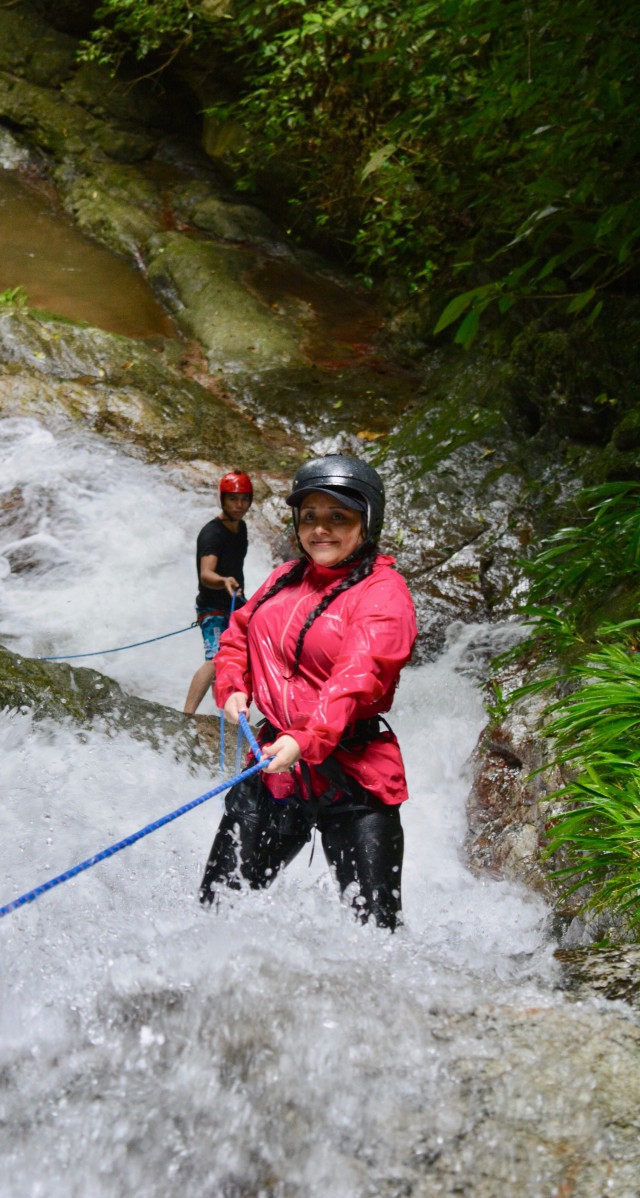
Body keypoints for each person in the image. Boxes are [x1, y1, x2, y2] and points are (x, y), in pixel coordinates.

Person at [199, 453, 417, 929]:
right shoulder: (284, 578)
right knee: (217, 908)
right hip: (276, 767)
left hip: (354, 778)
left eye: (338, 517)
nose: (321, 529)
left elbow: (359, 676)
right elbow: (237, 636)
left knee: (376, 929)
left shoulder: (384, 592)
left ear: (366, 522)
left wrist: (307, 739)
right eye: (310, 517)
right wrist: (233, 686)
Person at [183, 470, 253, 716]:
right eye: (234, 499)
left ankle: (226, 714)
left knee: (240, 660)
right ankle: (186, 715)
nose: (239, 505)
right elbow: (206, 574)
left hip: (234, 605)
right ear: (223, 499)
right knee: (215, 661)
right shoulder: (213, 533)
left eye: (244, 499)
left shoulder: (241, 528)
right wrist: (223, 580)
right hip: (212, 607)